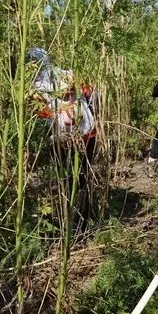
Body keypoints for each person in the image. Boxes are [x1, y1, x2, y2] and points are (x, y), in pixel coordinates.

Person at [25, 48, 98, 224]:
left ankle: (71, 217)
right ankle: (85, 216)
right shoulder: (71, 74)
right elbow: (93, 96)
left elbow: (42, 118)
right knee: (83, 176)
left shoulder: (35, 87)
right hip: (88, 132)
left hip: (61, 139)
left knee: (65, 178)